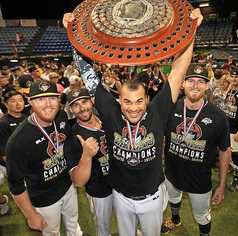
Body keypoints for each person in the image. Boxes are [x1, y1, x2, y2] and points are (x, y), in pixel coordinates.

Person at [63, 8, 203, 236]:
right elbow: (87, 73)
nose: (134, 107)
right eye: (127, 101)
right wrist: (72, 31)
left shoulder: (157, 111)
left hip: (152, 197)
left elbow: (179, 69)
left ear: (147, 100)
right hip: (121, 197)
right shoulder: (110, 112)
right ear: (119, 100)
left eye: (139, 101)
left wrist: (192, 28)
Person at [161, 64, 231, 236]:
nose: (195, 85)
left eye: (200, 82)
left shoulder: (218, 117)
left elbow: (225, 151)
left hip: (199, 180)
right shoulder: (170, 109)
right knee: (173, 199)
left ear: (207, 86)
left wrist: (221, 185)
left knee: (202, 216)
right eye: (191, 80)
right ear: (183, 83)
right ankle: (176, 219)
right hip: (172, 173)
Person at [6, 80, 82, 235]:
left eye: (52, 98)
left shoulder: (61, 116)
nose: (48, 104)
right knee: (52, 233)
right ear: (30, 102)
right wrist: (31, 215)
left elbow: (66, 142)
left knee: (73, 224)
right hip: (44, 199)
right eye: (40, 99)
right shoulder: (18, 141)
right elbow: (16, 185)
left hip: (67, 186)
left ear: (59, 99)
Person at [64, 88, 113, 236]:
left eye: (84, 101)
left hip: (122, 183)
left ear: (92, 101)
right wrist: (86, 155)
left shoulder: (107, 119)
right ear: (71, 109)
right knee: (103, 227)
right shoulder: (73, 137)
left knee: (129, 218)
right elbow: (78, 182)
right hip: (99, 190)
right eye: (75, 105)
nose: (82, 108)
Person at [0, 89, 26, 216]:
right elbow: (5, 154)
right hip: (15, 167)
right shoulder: (3, 123)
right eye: (13, 101)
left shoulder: (27, 117)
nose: (18, 103)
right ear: (5, 104)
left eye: (20, 100)